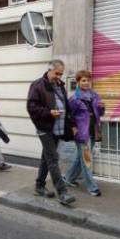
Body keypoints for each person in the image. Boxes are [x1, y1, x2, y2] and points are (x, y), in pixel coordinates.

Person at [27, 60, 76, 205]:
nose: (59, 77)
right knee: (53, 159)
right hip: (45, 128)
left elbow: (66, 106)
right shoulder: (37, 85)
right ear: (49, 70)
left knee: (46, 158)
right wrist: (49, 113)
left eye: (61, 74)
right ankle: (63, 193)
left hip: (58, 129)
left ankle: (39, 186)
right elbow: (31, 107)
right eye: (57, 73)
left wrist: (71, 124)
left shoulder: (60, 85)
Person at [63, 70, 104, 196]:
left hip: (93, 131)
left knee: (79, 158)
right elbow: (69, 116)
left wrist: (102, 108)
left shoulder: (94, 95)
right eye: (83, 80)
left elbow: (99, 114)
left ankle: (68, 178)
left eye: (88, 80)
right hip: (82, 133)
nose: (86, 83)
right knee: (87, 159)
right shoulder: (74, 98)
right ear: (79, 82)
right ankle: (92, 187)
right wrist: (74, 128)